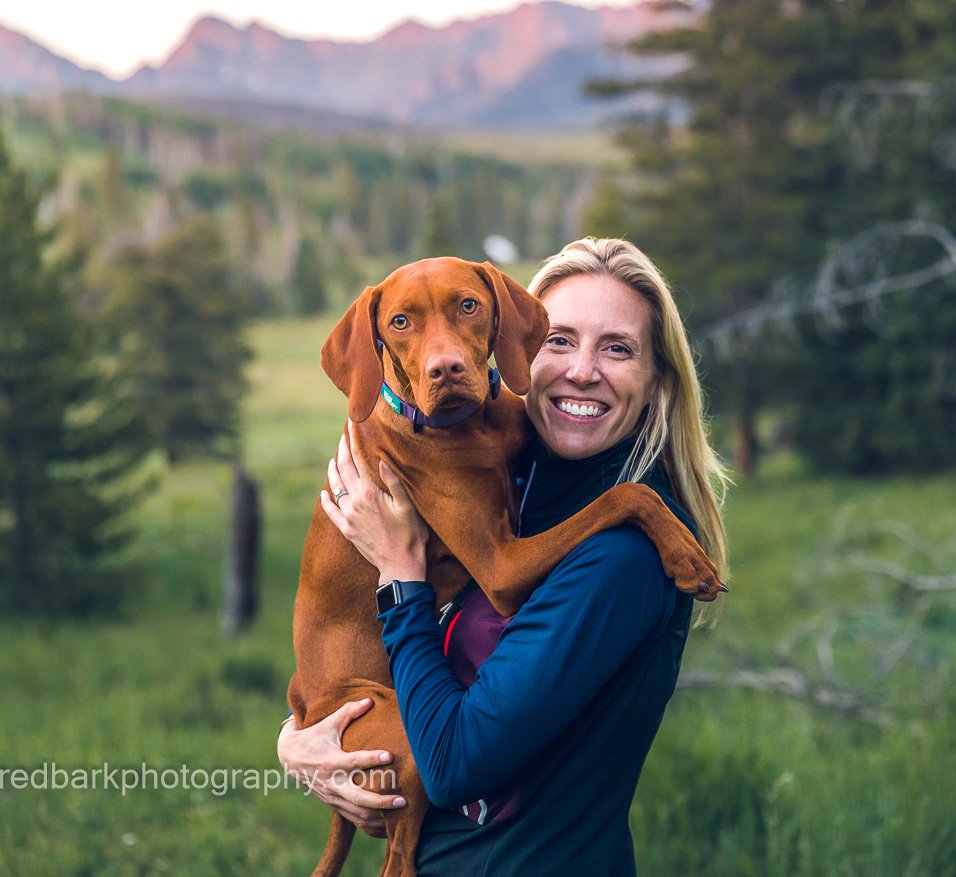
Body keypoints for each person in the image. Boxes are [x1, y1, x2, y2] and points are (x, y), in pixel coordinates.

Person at [278, 237, 729, 875]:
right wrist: (300, 740)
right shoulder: (535, 479)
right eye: (560, 341)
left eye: (618, 349)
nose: (580, 371)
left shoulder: (620, 562)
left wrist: (400, 575)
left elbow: (455, 761)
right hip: (365, 711)